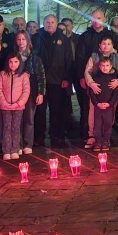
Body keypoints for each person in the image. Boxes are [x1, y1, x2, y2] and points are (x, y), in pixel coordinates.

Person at [35, 14, 74, 147]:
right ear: (43, 23)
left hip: (57, 80)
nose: (50, 24)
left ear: (57, 23)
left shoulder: (64, 40)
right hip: (40, 80)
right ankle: (39, 136)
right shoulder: (37, 38)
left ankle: (55, 135)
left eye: (52, 22)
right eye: (47, 22)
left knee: (56, 110)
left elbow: (69, 60)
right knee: (40, 110)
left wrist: (67, 78)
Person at [82, 32, 118, 148]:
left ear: (112, 45)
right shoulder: (94, 56)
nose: (106, 46)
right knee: (93, 114)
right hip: (96, 91)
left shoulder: (117, 57)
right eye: (103, 44)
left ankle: (106, 137)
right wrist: (91, 84)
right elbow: (88, 71)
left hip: (111, 91)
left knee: (109, 115)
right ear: (99, 45)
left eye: (109, 44)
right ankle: (93, 136)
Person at [74, 9, 109, 141]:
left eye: (99, 18)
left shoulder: (110, 36)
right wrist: (81, 77)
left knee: (105, 107)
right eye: (94, 18)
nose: (96, 21)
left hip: (106, 78)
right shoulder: (85, 36)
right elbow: (79, 58)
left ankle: (105, 135)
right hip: (89, 77)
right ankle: (87, 134)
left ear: (104, 19)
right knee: (87, 108)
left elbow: (117, 56)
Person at [14, 30, 45, 154]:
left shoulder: (34, 57)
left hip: (31, 92)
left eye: (23, 39)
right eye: (19, 39)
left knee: (29, 119)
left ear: (28, 41)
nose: (21, 42)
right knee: (17, 120)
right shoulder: (12, 56)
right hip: (16, 93)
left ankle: (27, 144)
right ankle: (18, 144)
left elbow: (41, 76)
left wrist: (40, 93)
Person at [0, 50, 30, 160]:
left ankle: (15, 149)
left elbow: (26, 91)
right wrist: (4, 103)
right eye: (11, 62)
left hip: (18, 107)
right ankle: (6, 150)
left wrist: (18, 103)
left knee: (16, 127)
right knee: (7, 127)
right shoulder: (2, 74)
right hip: (5, 107)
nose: (13, 64)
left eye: (16, 62)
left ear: (19, 62)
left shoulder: (23, 75)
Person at [90, 56, 118, 151]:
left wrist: (110, 104)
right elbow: (92, 92)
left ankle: (106, 140)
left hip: (109, 106)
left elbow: (116, 93)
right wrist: (96, 103)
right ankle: (98, 141)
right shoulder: (96, 78)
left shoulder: (113, 78)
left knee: (108, 123)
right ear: (99, 66)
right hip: (98, 106)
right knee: (97, 124)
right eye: (103, 65)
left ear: (111, 66)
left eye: (107, 65)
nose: (105, 67)